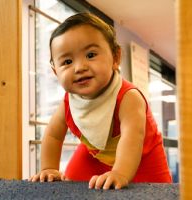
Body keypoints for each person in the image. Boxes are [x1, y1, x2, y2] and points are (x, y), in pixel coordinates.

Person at [29, 12, 172, 189]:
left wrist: (120, 172)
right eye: (67, 61)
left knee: (161, 192)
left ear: (116, 57)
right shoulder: (68, 102)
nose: (80, 67)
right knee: (71, 189)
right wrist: (49, 168)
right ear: (55, 72)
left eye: (90, 55)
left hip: (142, 155)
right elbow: (53, 135)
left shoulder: (128, 97)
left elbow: (132, 137)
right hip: (95, 154)